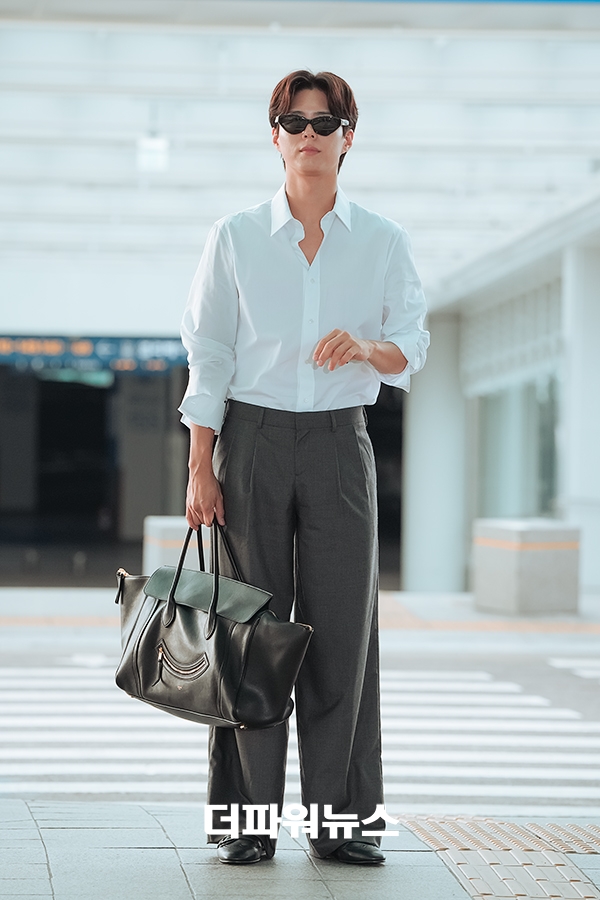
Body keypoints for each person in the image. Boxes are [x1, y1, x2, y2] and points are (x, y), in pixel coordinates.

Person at [179, 69, 429, 866]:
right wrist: (200, 466)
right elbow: (210, 358)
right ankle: (247, 829)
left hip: (338, 444)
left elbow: (412, 346)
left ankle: (342, 826)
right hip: (249, 443)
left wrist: (365, 346)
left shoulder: (384, 241)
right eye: (295, 121)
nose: (309, 135)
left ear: (348, 136)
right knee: (249, 636)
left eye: (325, 123)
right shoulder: (236, 236)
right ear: (276, 136)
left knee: (342, 638)